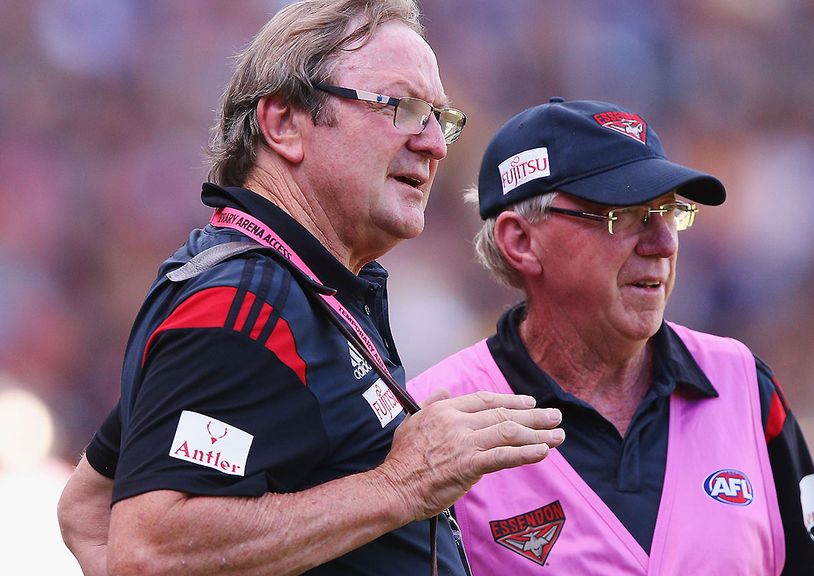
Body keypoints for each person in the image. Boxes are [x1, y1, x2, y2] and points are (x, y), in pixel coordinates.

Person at [55, 2, 565, 575]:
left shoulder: (294, 285)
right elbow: (148, 553)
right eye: (401, 108)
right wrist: (404, 482)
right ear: (285, 124)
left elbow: (88, 508)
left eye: (438, 118)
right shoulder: (246, 300)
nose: (435, 145)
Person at [406, 98, 814, 574]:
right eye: (626, 215)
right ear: (521, 241)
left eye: (669, 212)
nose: (664, 243)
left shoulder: (745, 386)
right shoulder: (433, 418)